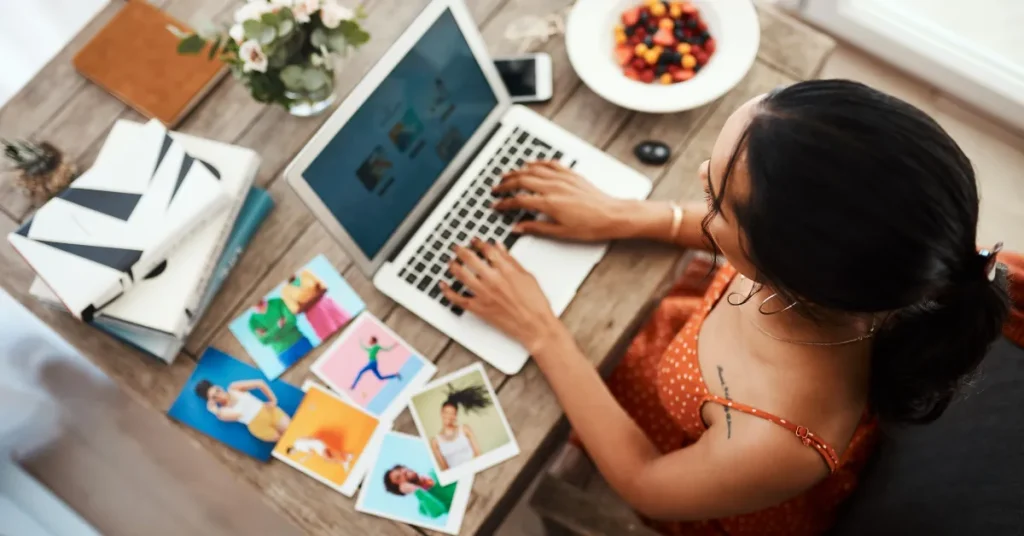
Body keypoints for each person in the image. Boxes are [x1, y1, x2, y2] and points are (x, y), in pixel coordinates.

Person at [437, 79, 1015, 535]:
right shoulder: (866, 272)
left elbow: (643, 481)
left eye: (714, 198)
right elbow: (748, 233)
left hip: (702, 475)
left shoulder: (777, 440)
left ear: (782, 267)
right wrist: (629, 215)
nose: (697, 178)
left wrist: (541, 330)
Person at [195, 378, 290, 443]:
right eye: (214, 397)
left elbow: (259, 383)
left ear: (219, 387)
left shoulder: (233, 388)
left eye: (217, 391)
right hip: (258, 427)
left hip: (269, 412)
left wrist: (273, 400)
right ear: (212, 401)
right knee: (285, 443)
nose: (219, 395)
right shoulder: (222, 412)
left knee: (292, 430)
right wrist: (214, 410)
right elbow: (238, 415)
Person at [281, 269, 351, 340]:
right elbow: (297, 310)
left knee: (348, 325)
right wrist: (317, 293)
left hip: (328, 305)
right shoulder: (285, 291)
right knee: (332, 337)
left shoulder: (306, 273)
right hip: (314, 316)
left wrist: (305, 303)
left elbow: (324, 288)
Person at [429, 385, 485, 470]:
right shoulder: (435, 441)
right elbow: (445, 468)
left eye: (452, 413)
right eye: (446, 412)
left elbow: (478, 453)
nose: (448, 416)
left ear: (455, 416)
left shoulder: (465, 429)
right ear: (441, 413)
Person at [248, 297, 313, 370]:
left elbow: (292, 320)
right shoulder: (253, 321)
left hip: (300, 342)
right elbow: (264, 340)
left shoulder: (278, 302)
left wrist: (270, 334)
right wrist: (278, 326)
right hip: (284, 353)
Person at [383, 464, 457, 519]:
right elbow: (438, 511)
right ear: (402, 488)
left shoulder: (435, 470)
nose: (403, 471)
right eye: (398, 477)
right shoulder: (423, 508)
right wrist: (415, 490)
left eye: (400, 469)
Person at [285, 429, 354, 471]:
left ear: (292, 450)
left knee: (328, 458)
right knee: (330, 454)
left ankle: (345, 460)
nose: (294, 453)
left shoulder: (300, 448)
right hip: (318, 443)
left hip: (318, 446)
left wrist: (303, 459)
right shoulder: (297, 441)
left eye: (292, 453)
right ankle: (347, 457)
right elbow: (307, 437)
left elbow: (311, 453)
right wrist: (315, 439)